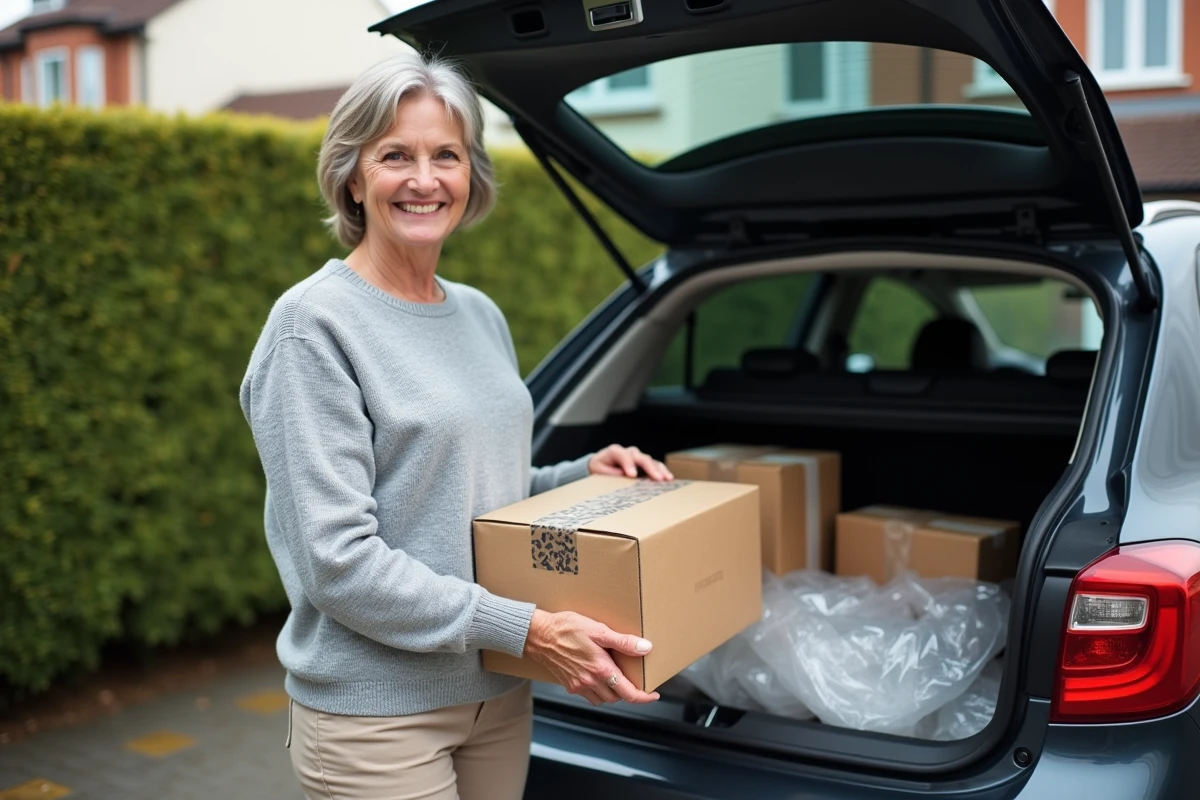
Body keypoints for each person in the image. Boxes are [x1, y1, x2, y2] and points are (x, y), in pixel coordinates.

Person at [238, 49, 674, 800]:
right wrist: (530, 630)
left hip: (500, 693)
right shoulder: (313, 327)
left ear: (471, 174)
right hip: (379, 716)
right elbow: (339, 562)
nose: (424, 179)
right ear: (351, 173)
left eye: (446, 155)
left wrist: (580, 477)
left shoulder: (477, 312)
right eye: (395, 156)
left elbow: (478, 490)